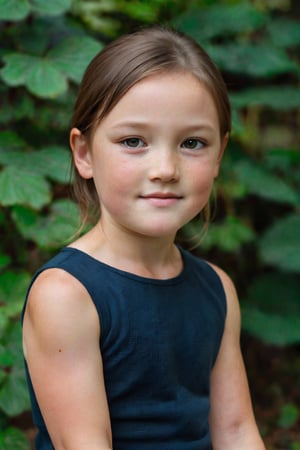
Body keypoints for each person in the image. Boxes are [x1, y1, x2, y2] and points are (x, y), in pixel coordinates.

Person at [22, 26, 266, 450]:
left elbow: (237, 431)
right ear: (84, 154)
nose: (166, 169)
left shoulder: (217, 288)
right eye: (133, 141)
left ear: (219, 155)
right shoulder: (67, 294)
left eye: (192, 143)